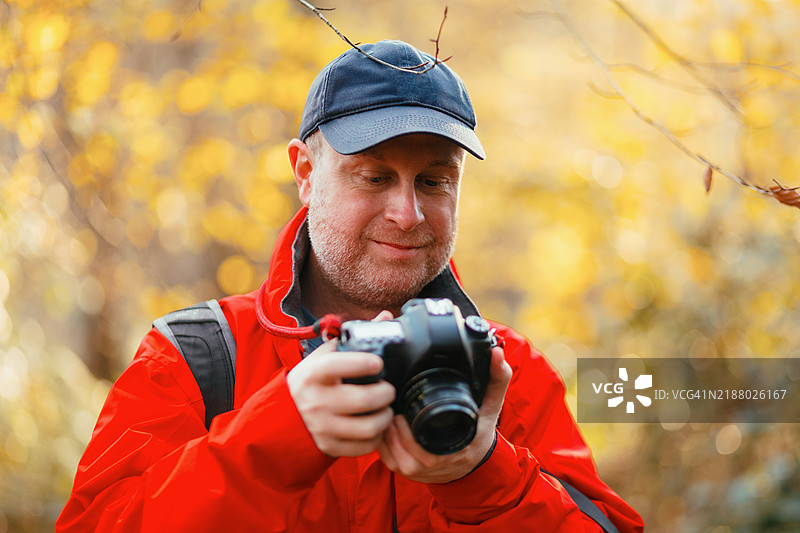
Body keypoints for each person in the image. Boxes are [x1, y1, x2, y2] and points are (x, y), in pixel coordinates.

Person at [57, 40, 644, 532]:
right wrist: (276, 437)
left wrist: (483, 477)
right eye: (375, 176)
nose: (408, 214)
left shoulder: (506, 372)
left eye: (434, 181)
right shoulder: (196, 360)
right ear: (306, 174)